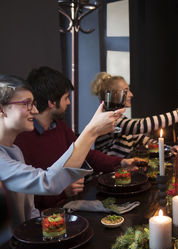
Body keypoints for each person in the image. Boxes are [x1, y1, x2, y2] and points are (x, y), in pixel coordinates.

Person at [0, 74, 119, 228]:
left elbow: (31, 212)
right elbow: (48, 182)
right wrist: (91, 131)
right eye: (26, 104)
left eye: (33, 103)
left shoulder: (15, 150)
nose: (35, 110)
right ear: (1, 109)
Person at [15, 67, 139, 210]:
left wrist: (121, 162)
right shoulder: (22, 141)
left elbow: (86, 154)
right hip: (48, 220)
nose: (68, 103)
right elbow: (29, 196)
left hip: (69, 207)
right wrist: (63, 190)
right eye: (66, 98)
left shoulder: (59, 126)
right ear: (51, 103)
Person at [91, 72, 178, 158]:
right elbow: (139, 126)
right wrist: (177, 114)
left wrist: (168, 149)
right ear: (114, 95)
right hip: (104, 176)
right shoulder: (108, 118)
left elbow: (142, 139)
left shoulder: (119, 118)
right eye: (126, 91)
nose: (131, 94)